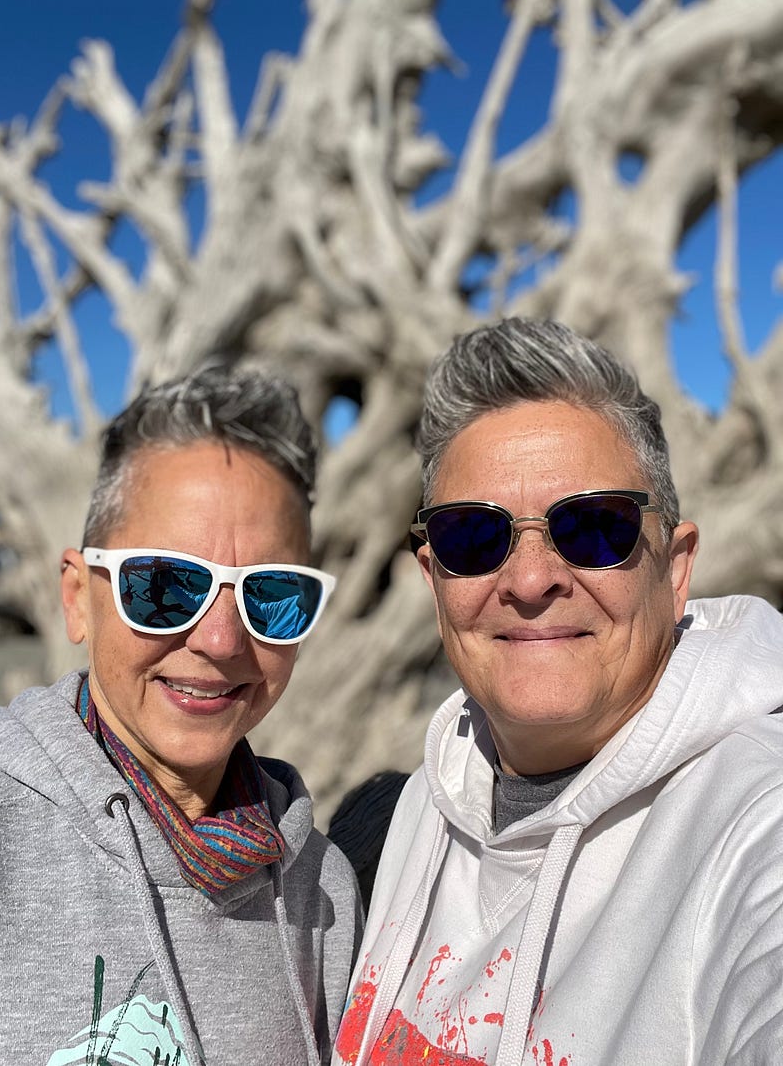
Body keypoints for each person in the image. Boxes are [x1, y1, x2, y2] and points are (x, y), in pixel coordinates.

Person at [332, 317, 783, 1066]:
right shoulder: (417, 810)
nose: (532, 578)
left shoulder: (755, 821)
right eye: (474, 537)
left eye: (593, 527)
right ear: (432, 578)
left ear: (674, 569)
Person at [0, 365, 362, 1066]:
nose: (220, 640)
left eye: (272, 593)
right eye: (164, 584)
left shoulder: (320, 888)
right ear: (78, 598)